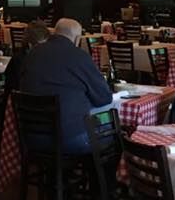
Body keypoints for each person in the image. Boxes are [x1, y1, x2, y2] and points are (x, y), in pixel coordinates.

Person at [20, 18, 112, 154]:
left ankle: (62, 173)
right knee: (113, 132)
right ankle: (96, 174)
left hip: (32, 137)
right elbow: (104, 98)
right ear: (77, 39)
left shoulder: (32, 54)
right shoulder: (80, 57)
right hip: (70, 139)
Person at [3, 20, 49, 93]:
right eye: (41, 47)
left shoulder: (17, 58)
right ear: (30, 45)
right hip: (22, 102)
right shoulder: (20, 61)